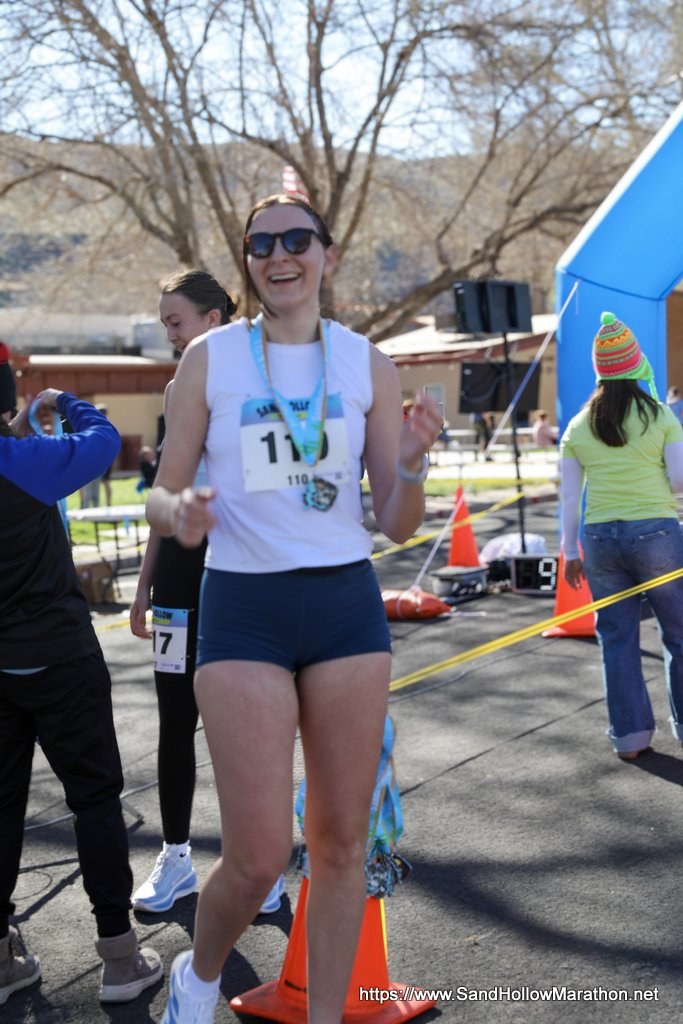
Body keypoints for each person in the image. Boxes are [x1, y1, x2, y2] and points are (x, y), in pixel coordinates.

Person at [146, 193, 443, 1024]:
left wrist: (411, 465)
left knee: (341, 846)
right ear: (247, 261)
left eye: (296, 240)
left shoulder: (365, 363)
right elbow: (160, 496)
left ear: (327, 254)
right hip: (243, 607)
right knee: (258, 856)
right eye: (261, 244)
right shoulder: (209, 358)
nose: (279, 255)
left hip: (344, 605)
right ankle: (198, 978)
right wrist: (180, 514)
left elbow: (395, 520)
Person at [0, 349, 162, 1006]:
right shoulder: (25, 463)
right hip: (61, 656)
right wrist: (62, 402)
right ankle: (119, 958)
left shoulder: (21, 460)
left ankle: (2, 959)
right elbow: (100, 442)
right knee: (95, 801)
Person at [129, 270, 286, 917]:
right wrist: (144, 585)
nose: (169, 334)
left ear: (213, 318)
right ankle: (175, 858)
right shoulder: (177, 389)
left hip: (242, 575)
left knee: (246, 723)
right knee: (175, 717)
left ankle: (259, 863)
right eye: (165, 323)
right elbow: (164, 498)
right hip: (178, 578)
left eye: (176, 322)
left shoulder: (266, 383)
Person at [560, 311, 683, 760]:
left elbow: (569, 498)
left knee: (617, 639)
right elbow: (679, 482)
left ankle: (630, 739)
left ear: (600, 371)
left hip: (599, 541)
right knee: (679, 634)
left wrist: (568, 552)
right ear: (636, 364)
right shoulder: (661, 416)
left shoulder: (578, 426)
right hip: (657, 534)